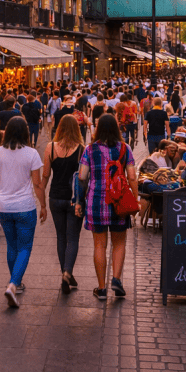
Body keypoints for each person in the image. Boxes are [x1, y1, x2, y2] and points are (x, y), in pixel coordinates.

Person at [0, 116, 47, 308]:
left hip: (4, 206)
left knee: (11, 246)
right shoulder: (32, 154)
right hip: (25, 206)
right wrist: (43, 205)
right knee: (25, 247)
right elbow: (37, 183)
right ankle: (13, 284)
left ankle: (16, 283)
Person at [76, 113, 137, 301]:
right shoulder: (125, 149)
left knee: (99, 245)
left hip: (96, 202)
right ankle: (116, 280)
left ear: (98, 129)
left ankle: (101, 288)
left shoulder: (89, 149)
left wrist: (79, 200)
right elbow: (132, 176)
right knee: (119, 243)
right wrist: (136, 199)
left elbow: (82, 176)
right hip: (119, 202)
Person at [41, 115, 85, 294]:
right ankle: (67, 272)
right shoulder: (82, 150)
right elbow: (83, 178)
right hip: (75, 200)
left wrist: (42, 202)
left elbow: (45, 176)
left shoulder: (50, 148)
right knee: (73, 237)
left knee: (61, 237)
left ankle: (65, 272)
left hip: (55, 198)